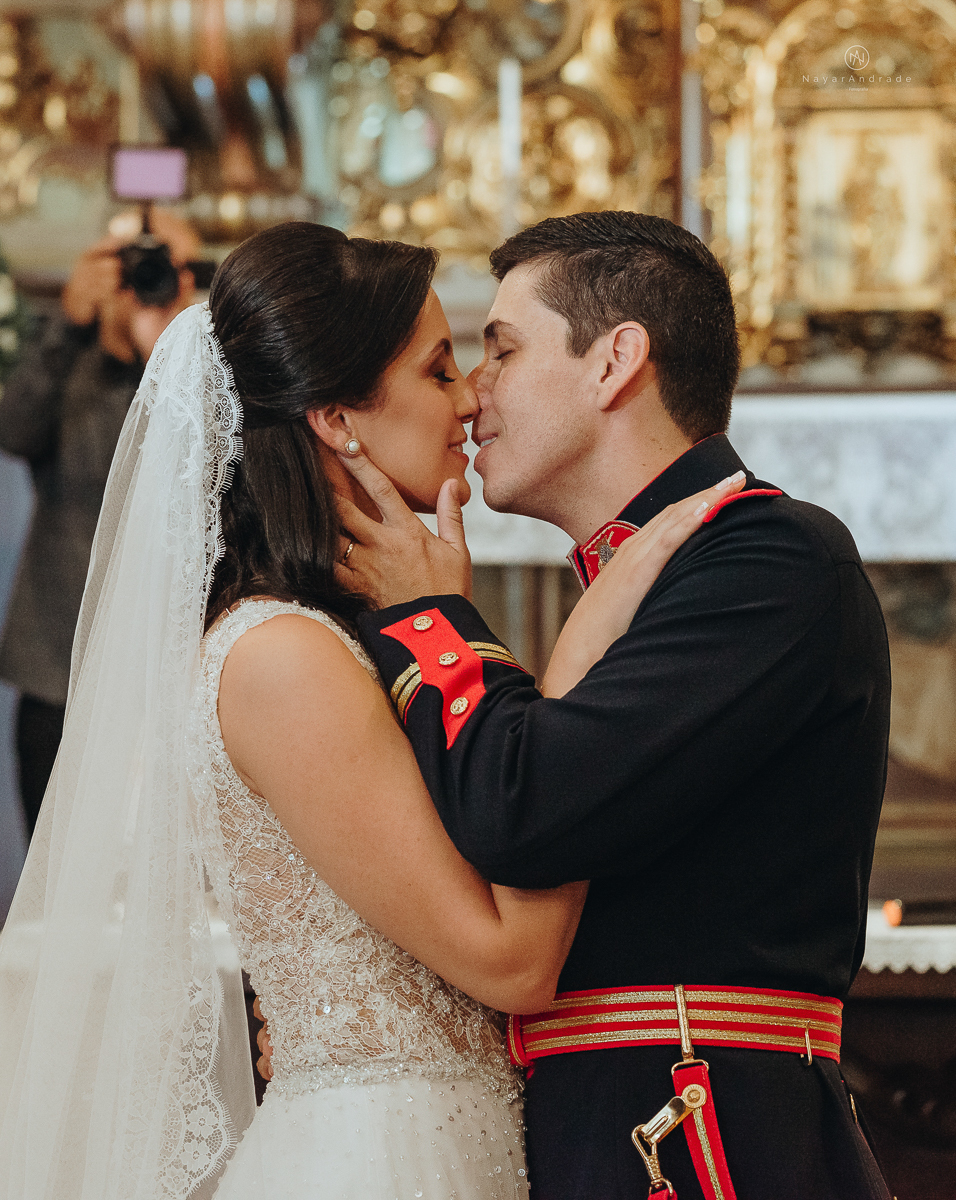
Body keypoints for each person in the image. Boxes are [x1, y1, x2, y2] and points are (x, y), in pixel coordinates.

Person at [0, 221, 739, 1200]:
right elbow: (513, 963)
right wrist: (578, 656)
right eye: (440, 369)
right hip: (381, 1155)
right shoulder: (279, 657)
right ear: (339, 418)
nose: (472, 396)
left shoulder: (337, 639)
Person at [329, 211, 894, 1200]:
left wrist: (430, 617)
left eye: (500, 349)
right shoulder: (652, 580)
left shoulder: (771, 560)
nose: (471, 392)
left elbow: (525, 814)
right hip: (609, 1120)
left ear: (614, 362)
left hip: (695, 1131)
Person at [0, 209, 198, 835]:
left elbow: (206, 482)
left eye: (173, 267)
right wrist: (68, 323)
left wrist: (162, 353)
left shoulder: (206, 376)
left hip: (169, 680)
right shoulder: (67, 365)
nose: (156, 280)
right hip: (58, 668)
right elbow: (13, 431)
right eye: (138, 266)